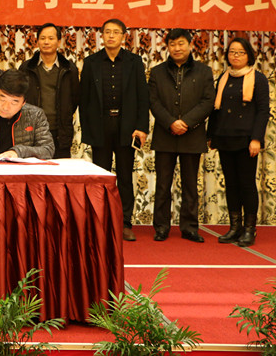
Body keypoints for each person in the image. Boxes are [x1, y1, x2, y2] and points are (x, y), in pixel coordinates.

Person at [79, 19, 149, 242]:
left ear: (123, 36)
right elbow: (84, 99)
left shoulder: (134, 62)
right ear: (101, 35)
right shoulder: (91, 62)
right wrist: (87, 130)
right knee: (101, 176)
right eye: (107, 32)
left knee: (125, 177)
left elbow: (143, 96)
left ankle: (125, 222)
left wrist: (141, 127)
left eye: (115, 32)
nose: (111, 36)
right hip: (100, 126)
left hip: (126, 127)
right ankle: (100, 221)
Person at [149, 28, 215, 243]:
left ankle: (189, 228)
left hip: (192, 135)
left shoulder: (204, 72)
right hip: (165, 134)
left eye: (181, 44)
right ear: (167, 47)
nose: (177, 48)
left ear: (190, 45)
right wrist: (171, 122)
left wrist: (186, 122)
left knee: (190, 185)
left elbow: (208, 101)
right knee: (162, 185)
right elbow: (153, 101)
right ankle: (161, 227)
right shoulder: (157, 72)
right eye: (172, 44)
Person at [207, 37, 269, 247]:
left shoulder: (258, 79)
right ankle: (235, 227)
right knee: (231, 184)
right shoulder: (223, 78)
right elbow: (215, 109)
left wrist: (256, 139)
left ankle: (250, 230)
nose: (235, 56)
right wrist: (211, 136)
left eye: (240, 52)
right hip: (224, 137)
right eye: (232, 52)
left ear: (248, 55)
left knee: (246, 184)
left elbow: (263, 111)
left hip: (246, 139)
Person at [19, 22, 80, 158]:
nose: (46, 42)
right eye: (42, 38)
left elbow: (75, 99)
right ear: (37, 41)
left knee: (60, 169)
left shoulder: (70, 69)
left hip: (60, 131)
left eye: (51, 38)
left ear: (59, 42)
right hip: (31, 130)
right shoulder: (26, 68)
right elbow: (20, 98)